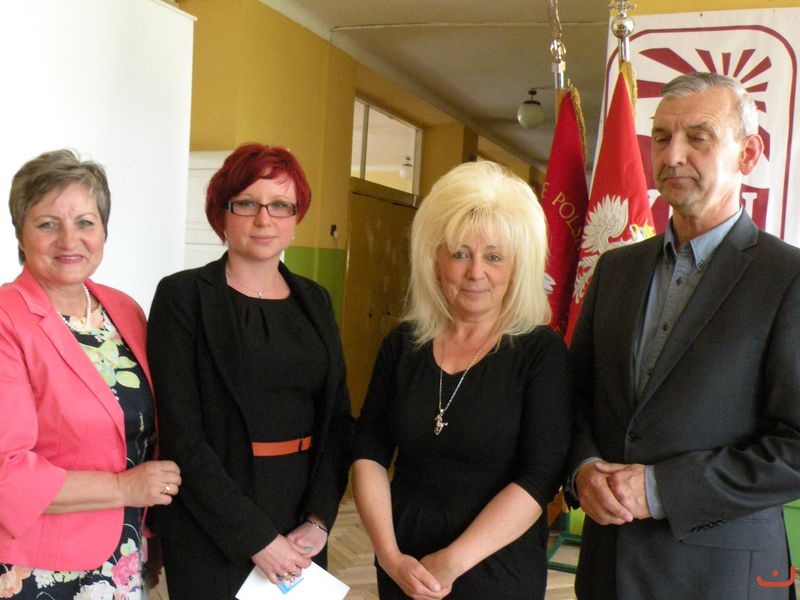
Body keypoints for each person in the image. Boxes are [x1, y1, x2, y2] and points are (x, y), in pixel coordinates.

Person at [567, 72, 800, 600]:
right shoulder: (615, 270)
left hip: (722, 580)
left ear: (748, 154)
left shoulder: (788, 279)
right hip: (608, 569)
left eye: (698, 137)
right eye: (661, 137)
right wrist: (582, 470)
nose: (673, 156)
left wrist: (660, 489)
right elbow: (576, 398)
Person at [352, 160, 572, 600]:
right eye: (459, 254)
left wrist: (449, 564)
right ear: (434, 260)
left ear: (517, 267)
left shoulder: (540, 352)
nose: (476, 272)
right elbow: (368, 453)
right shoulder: (401, 345)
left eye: (494, 257)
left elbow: (539, 476)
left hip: (496, 565)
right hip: (403, 558)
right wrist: (389, 556)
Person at [145, 143, 354, 599]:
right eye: (246, 204)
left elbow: (337, 420)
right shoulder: (183, 296)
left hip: (300, 516)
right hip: (211, 515)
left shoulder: (315, 300)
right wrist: (256, 538)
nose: (264, 219)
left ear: (296, 217)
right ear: (221, 214)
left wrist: (319, 519)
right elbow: (181, 431)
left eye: (280, 205)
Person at [0, 149, 181, 598]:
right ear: (20, 233)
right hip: (39, 566)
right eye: (48, 224)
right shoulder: (6, 319)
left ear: (103, 231)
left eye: (85, 222)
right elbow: (6, 472)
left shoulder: (124, 309)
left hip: (125, 552)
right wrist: (126, 487)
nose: (70, 240)